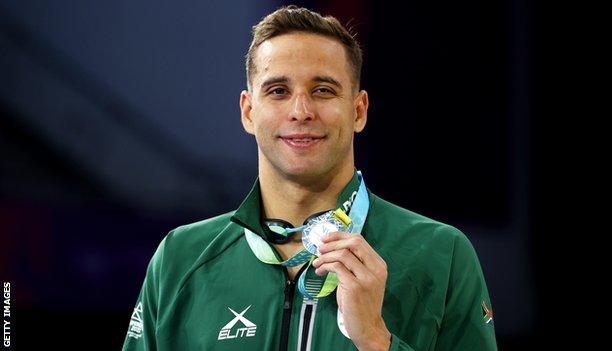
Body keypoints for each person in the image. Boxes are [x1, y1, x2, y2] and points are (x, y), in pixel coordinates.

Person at [122, 5, 497, 351]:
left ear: (359, 110)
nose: (301, 111)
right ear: (249, 112)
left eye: (322, 90)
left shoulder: (440, 254)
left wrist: (376, 339)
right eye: (279, 91)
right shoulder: (181, 258)